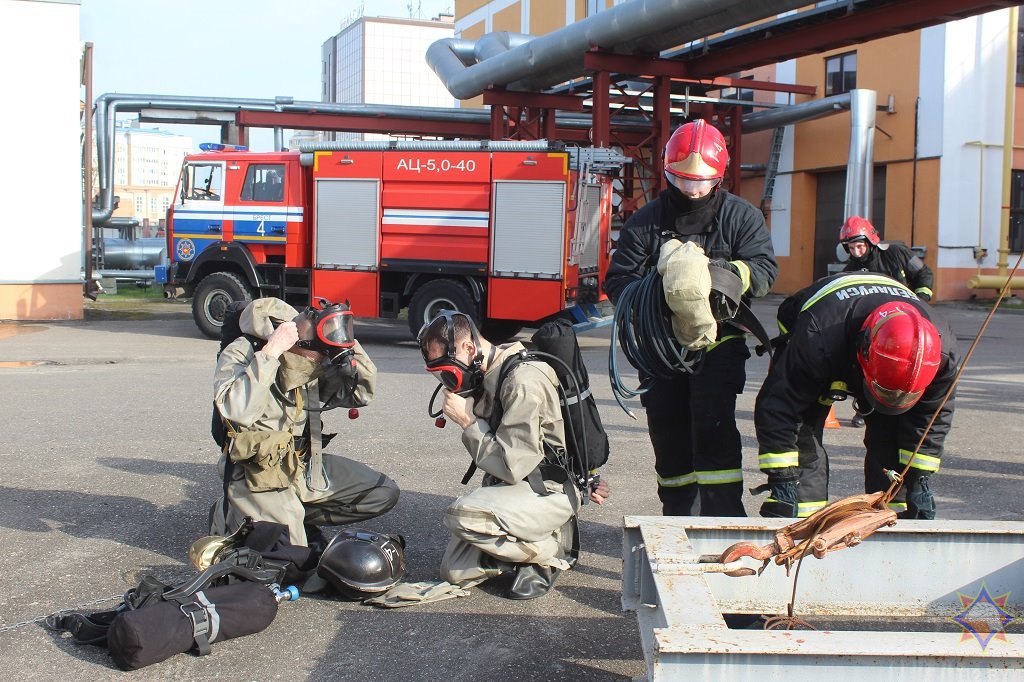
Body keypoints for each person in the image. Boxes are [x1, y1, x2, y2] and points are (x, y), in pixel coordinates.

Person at [604, 118, 778, 517]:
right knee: (668, 435)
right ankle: (677, 520)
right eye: (683, 180)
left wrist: (726, 278)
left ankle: (723, 518)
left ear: (718, 176)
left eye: (702, 181)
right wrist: (660, 293)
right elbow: (620, 281)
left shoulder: (741, 217)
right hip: (661, 350)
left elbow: (765, 270)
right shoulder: (646, 221)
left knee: (714, 429)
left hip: (720, 343)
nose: (693, 189)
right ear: (669, 172)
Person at [418, 310, 610, 600]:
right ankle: (523, 549)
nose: (447, 381)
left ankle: (551, 549)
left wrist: (468, 422)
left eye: (447, 371)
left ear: (468, 348)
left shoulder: (522, 381)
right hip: (516, 489)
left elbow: (511, 466)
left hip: (546, 491)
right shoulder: (490, 373)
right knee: (455, 572)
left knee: (462, 514)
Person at [754, 272, 958, 520]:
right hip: (824, 327)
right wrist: (782, 479)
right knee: (803, 436)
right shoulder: (815, 338)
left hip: (861, 344)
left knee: (891, 440)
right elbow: (780, 407)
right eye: (886, 391)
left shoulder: (939, 353)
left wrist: (919, 478)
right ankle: (803, 519)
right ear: (864, 354)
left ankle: (886, 523)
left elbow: (930, 419)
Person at [209, 297, 399, 548]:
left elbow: (360, 394)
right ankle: (232, 516)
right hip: (257, 475)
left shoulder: (313, 353)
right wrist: (270, 354)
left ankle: (290, 515)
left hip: (301, 466)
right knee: (293, 556)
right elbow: (236, 411)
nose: (317, 363)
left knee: (382, 493)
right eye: (314, 358)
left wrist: (343, 341)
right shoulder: (243, 350)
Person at [839, 215, 934, 427]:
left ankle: (912, 403)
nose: (856, 252)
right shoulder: (849, 271)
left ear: (871, 241)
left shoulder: (897, 253)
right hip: (872, 326)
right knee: (863, 364)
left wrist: (922, 300)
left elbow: (924, 273)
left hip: (904, 319)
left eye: (860, 247)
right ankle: (864, 407)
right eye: (851, 248)